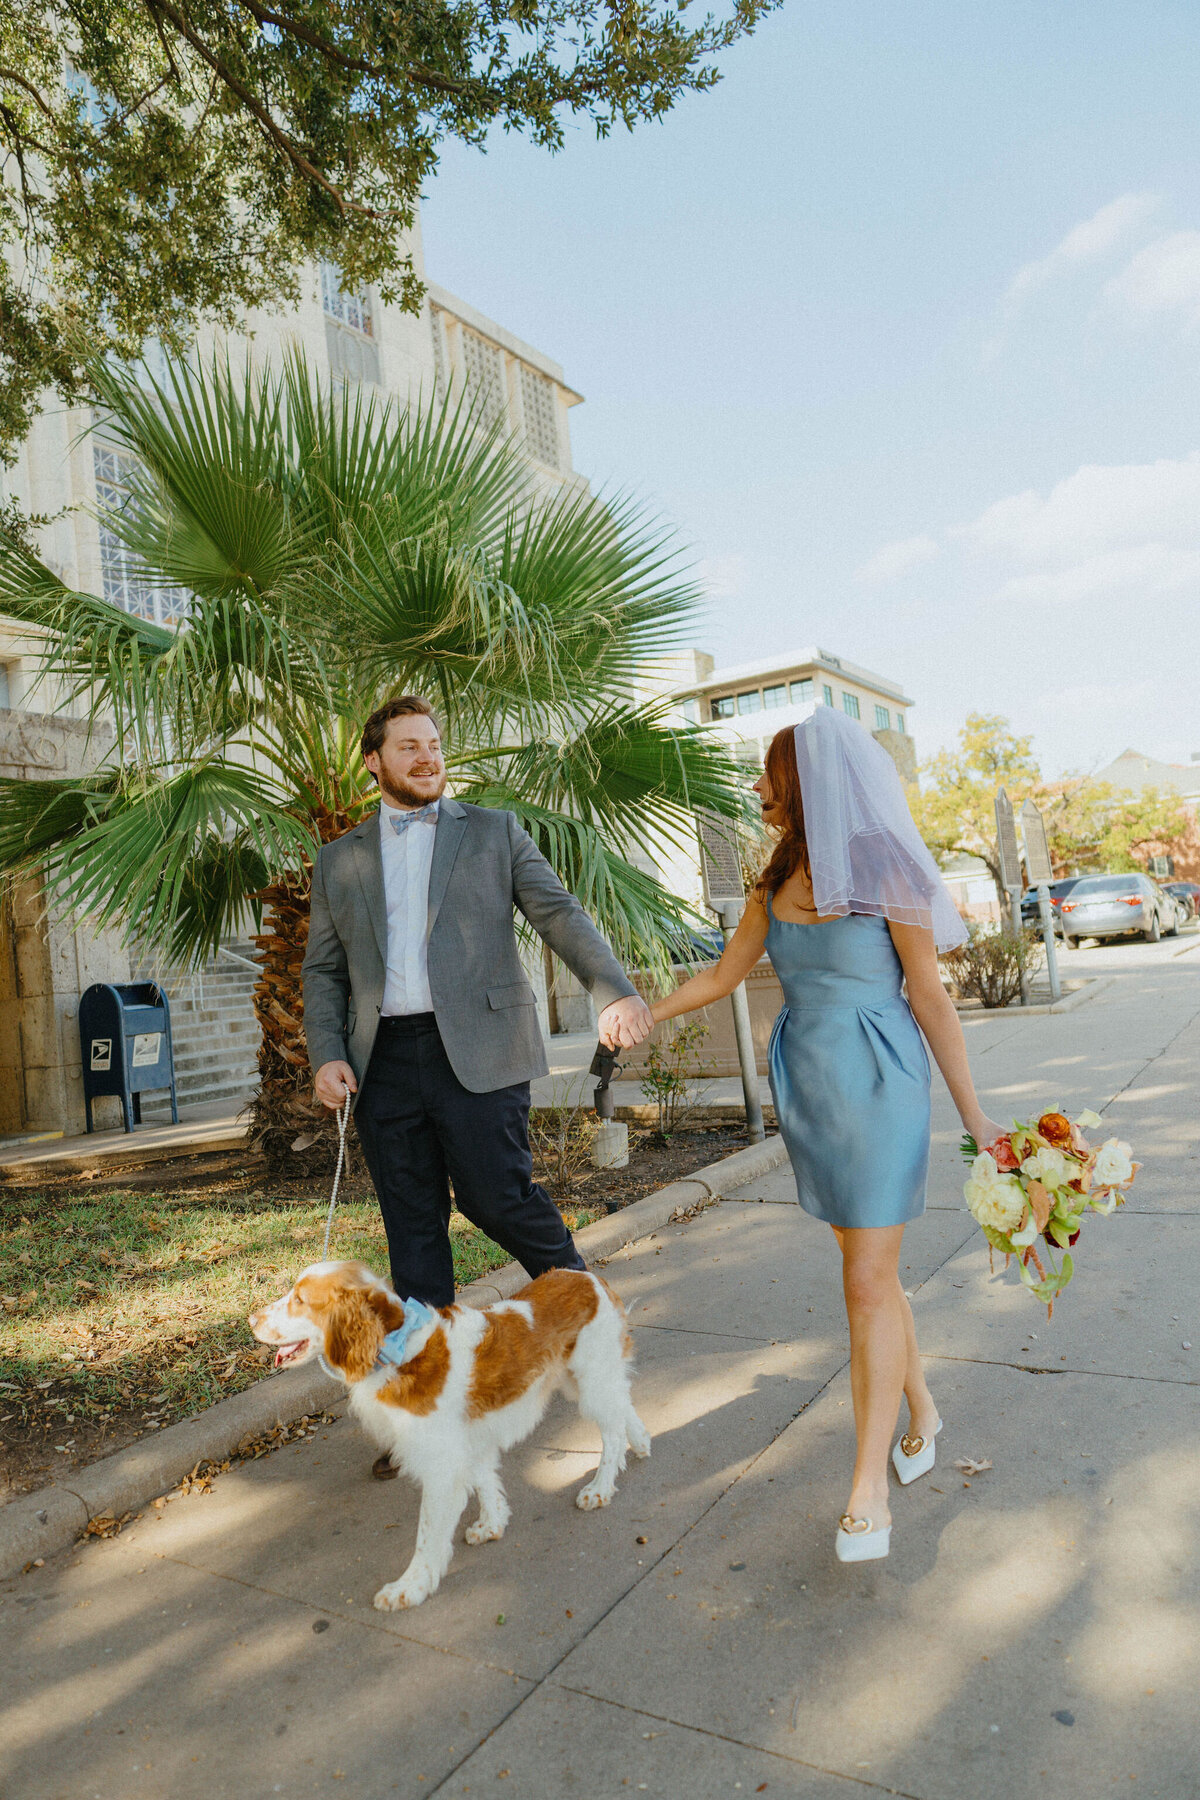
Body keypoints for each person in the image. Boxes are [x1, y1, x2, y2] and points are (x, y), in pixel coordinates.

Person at [649, 707, 1003, 1562]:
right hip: (810, 1084)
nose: (758, 787)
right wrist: (640, 1014)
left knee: (866, 1281)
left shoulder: (887, 865)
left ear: (805, 781)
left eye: (769, 773)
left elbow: (929, 995)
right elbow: (725, 975)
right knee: (869, 1274)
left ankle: (866, 1489)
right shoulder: (776, 873)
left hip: (880, 1080)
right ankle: (924, 1410)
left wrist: (975, 1115)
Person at [303, 695, 654, 1476]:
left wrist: (613, 991)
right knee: (413, 1233)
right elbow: (323, 969)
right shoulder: (339, 859)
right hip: (383, 1062)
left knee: (499, 1199)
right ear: (374, 761)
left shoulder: (494, 831)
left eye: (434, 743)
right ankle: (428, 1410)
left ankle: (594, 1331)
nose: (428, 756)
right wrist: (326, 1052)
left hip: (481, 1050)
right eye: (408, 746)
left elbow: (558, 914)